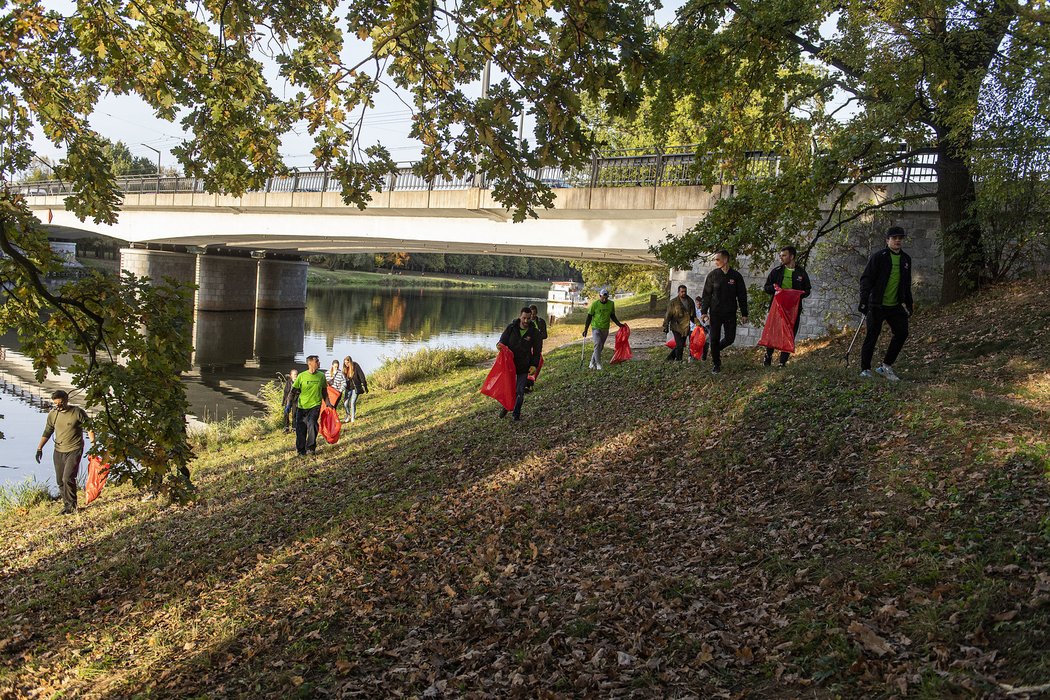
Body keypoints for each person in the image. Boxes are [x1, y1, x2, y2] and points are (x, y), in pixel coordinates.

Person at [858, 226, 913, 381]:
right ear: (887, 240)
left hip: (895, 305)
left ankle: (886, 366)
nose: (897, 241)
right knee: (872, 335)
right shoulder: (879, 257)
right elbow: (866, 279)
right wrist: (863, 300)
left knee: (902, 332)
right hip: (876, 304)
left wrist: (909, 304)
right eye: (894, 238)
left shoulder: (906, 259)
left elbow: (906, 283)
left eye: (900, 238)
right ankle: (865, 369)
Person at [35, 390, 94, 515]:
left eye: (60, 403)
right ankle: (67, 505)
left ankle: (72, 507)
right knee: (60, 481)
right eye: (55, 404)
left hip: (74, 449)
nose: (58, 406)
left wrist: (94, 446)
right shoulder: (52, 414)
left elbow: (89, 428)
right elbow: (47, 431)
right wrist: (39, 448)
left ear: (66, 400)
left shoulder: (77, 412)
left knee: (68, 478)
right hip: (59, 450)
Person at [762, 245, 813, 367]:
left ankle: (782, 362)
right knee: (773, 332)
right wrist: (775, 290)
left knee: (789, 334)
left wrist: (797, 295)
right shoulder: (777, 271)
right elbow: (766, 287)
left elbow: (807, 289)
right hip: (777, 308)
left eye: (784, 255)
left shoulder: (801, 272)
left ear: (792, 256)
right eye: (780, 256)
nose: (781, 258)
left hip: (793, 310)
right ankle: (768, 356)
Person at [700, 250, 749, 375]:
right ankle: (717, 364)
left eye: (718, 259)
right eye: (715, 260)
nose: (716, 262)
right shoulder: (712, 275)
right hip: (715, 313)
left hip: (730, 313)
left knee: (729, 338)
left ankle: (714, 350)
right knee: (714, 339)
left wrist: (744, 313)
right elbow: (706, 295)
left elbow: (742, 296)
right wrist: (704, 312)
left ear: (726, 259)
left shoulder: (736, 276)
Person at [497, 307, 542, 420]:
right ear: (520, 316)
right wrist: (499, 345)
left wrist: (534, 365)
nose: (526, 321)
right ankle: (506, 406)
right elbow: (503, 340)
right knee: (508, 388)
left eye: (528, 318)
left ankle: (516, 414)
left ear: (531, 317)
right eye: (524, 318)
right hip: (509, 365)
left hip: (524, 365)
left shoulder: (535, 333)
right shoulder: (511, 328)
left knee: (520, 391)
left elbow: (537, 352)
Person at [291, 355, 334, 456]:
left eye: (318, 361)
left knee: (312, 424)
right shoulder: (301, 376)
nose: (319, 363)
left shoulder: (321, 376)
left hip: (315, 405)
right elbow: (293, 391)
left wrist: (328, 403)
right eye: (317, 362)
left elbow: (324, 391)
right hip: (301, 406)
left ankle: (311, 448)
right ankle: (301, 450)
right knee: (300, 428)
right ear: (310, 363)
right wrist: (288, 404)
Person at [581, 288, 623, 370]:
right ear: (600, 296)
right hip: (596, 327)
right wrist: (585, 329)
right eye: (603, 297)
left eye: (606, 297)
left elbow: (612, 315)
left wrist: (619, 324)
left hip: (605, 328)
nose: (604, 299)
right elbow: (589, 317)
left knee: (600, 347)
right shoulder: (595, 304)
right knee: (597, 344)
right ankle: (598, 364)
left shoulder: (611, 304)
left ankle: (591, 363)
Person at [663, 284, 698, 361]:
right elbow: (668, 315)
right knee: (679, 345)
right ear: (678, 292)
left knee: (681, 345)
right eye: (682, 292)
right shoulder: (673, 302)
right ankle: (679, 360)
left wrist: (697, 325)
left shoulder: (690, 301)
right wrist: (666, 326)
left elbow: (693, 315)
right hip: (676, 327)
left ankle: (669, 359)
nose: (683, 293)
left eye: (685, 291)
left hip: (686, 327)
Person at [341, 355, 369, 423]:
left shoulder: (356, 366)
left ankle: (353, 417)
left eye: (347, 363)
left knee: (352, 403)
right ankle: (348, 415)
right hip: (348, 388)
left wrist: (365, 386)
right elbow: (342, 380)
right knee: (345, 403)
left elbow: (362, 376)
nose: (346, 364)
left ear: (350, 362)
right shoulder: (345, 369)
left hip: (355, 388)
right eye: (345, 363)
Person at [526, 304, 548, 389]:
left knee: (537, 362)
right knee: (527, 363)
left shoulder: (541, 322)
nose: (532, 316)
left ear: (537, 313)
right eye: (531, 314)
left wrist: (536, 336)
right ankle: (526, 383)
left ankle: (531, 381)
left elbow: (545, 335)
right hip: (528, 346)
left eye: (534, 314)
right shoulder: (525, 321)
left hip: (537, 345)